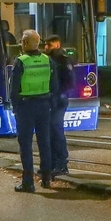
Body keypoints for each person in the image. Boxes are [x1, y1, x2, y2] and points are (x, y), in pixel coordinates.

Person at [9, 29, 59, 192]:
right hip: (44, 106)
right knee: (44, 143)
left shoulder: (20, 61)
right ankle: (46, 179)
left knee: (26, 145)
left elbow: (14, 88)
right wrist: (51, 103)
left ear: (25, 43)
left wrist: (15, 107)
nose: (22, 43)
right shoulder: (47, 60)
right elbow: (55, 86)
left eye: (23, 40)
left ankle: (28, 182)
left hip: (25, 107)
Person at [44, 35, 73, 177]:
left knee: (56, 131)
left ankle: (61, 164)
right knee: (50, 131)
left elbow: (69, 81)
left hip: (58, 100)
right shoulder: (51, 59)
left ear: (56, 45)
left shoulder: (62, 59)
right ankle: (52, 164)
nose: (45, 48)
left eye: (48, 45)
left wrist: (59, 94)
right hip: (51, 99)